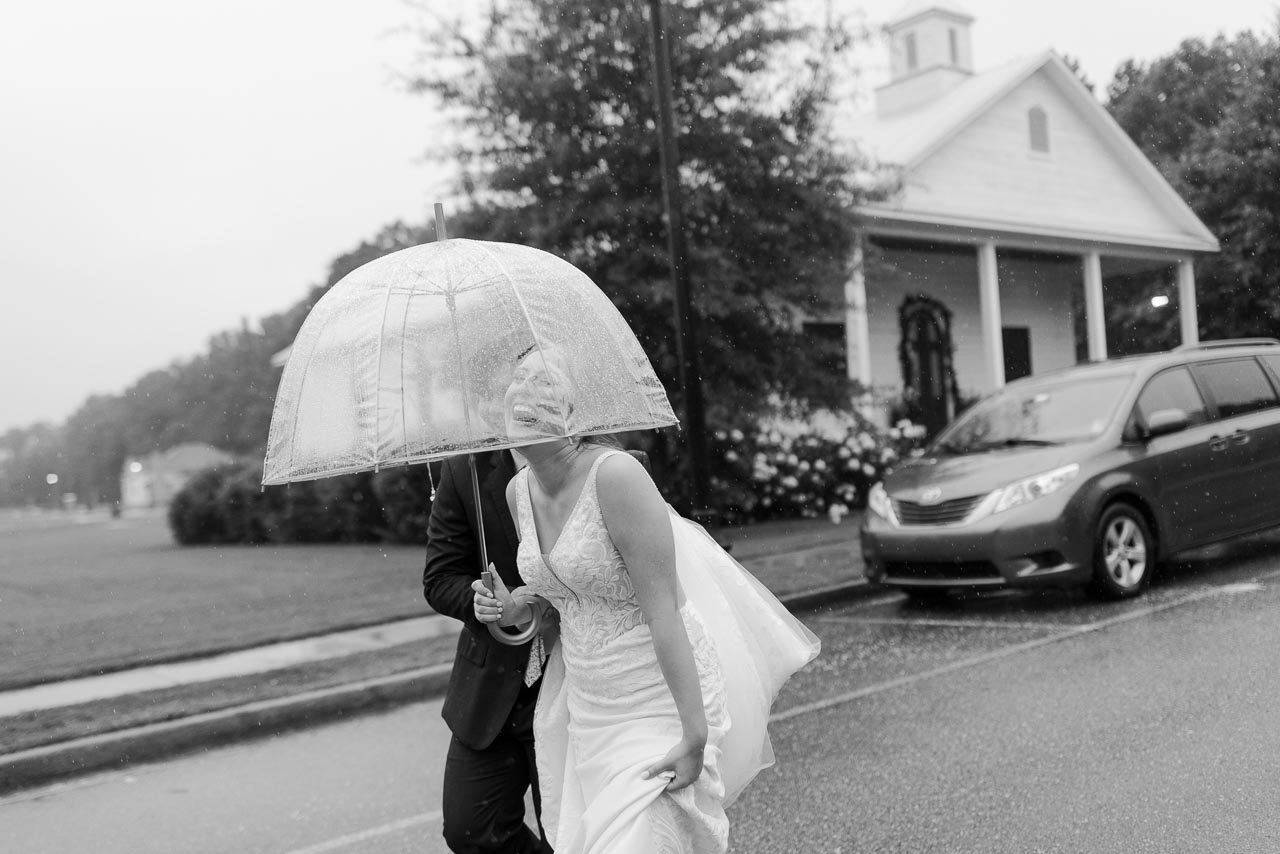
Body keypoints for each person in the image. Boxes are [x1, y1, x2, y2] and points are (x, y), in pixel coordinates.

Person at [472, 347, 820, 853]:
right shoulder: (516, 491)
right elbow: (564, 603)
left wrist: (693, 734)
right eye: (519, 378)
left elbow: (663, 611)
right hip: (589, 705)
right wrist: (512, 611)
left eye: (545, 381)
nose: (526, 390)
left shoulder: (616, 477)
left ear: (576, 407)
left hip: (657, 697)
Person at [423, 449, 555, 854]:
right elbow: (440, 578)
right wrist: (477, 600)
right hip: (492, 690)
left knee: (571, 835)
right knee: (471, 831)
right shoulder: (465, 470)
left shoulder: (603, 464)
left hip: (574, 678)